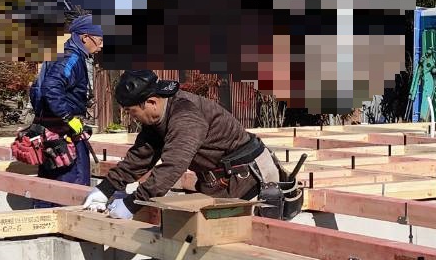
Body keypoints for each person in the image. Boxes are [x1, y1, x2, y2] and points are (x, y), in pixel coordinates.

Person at [81, 68, 299, 220]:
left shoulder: (186, 117)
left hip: (248, 180)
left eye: (132, 111)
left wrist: (132, 204)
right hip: (220, 180)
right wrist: (105, 188)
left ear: (151, 102)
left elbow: (172, 167)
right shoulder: (158, 118)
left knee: (239, 244)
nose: (131, 117)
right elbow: (140, 156)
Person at [28, 15, 103, 196]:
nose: (102, 45)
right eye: (100, 40)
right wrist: (68, 117)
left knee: (50, 188)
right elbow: (51, 87)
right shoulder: (71, 58)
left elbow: (38, 89)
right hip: (64, 136)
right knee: (74, 188)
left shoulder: (60, 55)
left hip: (52, 134)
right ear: (85, 37)